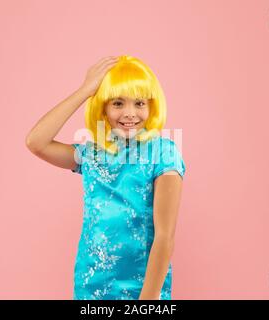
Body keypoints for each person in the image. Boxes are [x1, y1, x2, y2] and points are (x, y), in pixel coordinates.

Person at [25, 55, 185, 300]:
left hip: (142, 289)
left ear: (152, 106)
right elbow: (36, 142)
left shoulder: (163, 154)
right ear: (103, 108)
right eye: (118, 103)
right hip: (91, 287)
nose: (130, 113)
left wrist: (148, 301)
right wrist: (85, 91)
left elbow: (165, 236)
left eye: (139, 103)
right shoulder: (92, 154)